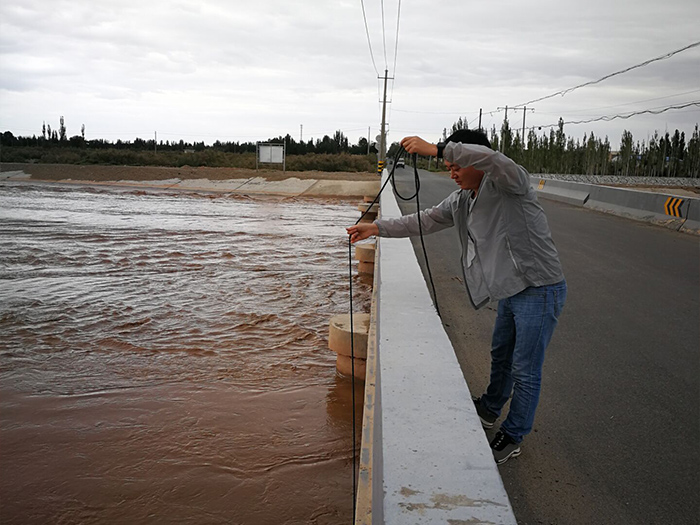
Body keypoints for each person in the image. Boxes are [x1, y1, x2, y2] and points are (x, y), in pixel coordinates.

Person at [347, 129, 567, 464]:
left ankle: (514, 433)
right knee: (501, 355)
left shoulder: (510, 183)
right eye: (448, 166)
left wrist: (437, 149)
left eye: (455, 165)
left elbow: (495, 159)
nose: (451, 172)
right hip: (511, 290)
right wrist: (376, 228)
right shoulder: (463, 199)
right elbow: (426, 219)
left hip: (539, 288)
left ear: (474, 158)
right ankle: (491, 409)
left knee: (525, 369)